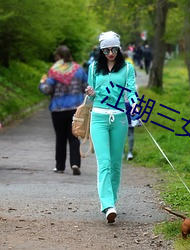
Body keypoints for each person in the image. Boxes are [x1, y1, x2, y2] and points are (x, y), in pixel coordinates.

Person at [85, 31, 138, 223]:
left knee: (116, 164)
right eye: (106, 50)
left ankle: (112, 201)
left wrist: (135, 106)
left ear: (119, 48)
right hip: (98, 118)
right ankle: (107, 205)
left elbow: (131, 90)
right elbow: (91, 97)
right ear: (101, 50)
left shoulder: (127, 68)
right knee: (104, 163)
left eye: (114, 49)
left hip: (120, 119)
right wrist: (90, 92)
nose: (110, 53)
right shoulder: (94, 68)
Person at [39, 45, 88, 175]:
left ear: (58, 57)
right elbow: (86, 87)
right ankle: (75, 163)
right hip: (75, 109)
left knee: (60, 138)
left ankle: (60, 166)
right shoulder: (79, 70)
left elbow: (47, 90)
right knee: (74, 137)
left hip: (58, 109)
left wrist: (42, 83)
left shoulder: (54, 71)